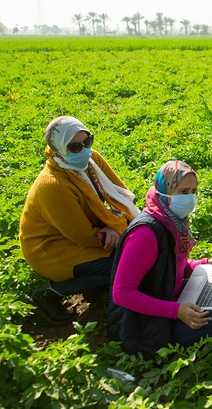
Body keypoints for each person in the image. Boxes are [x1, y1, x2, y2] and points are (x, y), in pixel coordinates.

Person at [19, 116, 140, 325]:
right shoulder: (53, 185)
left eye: (87, 142)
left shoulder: (93, 160)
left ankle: (91, 287)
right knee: (120, 266)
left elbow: (120, 196)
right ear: (57, 150)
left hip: (91, 231)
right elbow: (82, 235)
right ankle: (51, 294)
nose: (83, 150)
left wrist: (115, 226)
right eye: (74, 147)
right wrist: (109, 232)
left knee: (135, 251)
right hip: (51, 247)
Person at [107, 160, 212, 356]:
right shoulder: (145, 234)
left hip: (168, 295)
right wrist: (176, 311)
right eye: (183, 192)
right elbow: (122, 293)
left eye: (194, 191)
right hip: (141, 323)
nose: (190, 198)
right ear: (164, 192)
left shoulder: (172, 221)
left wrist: (205, 263)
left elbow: (171, 266)